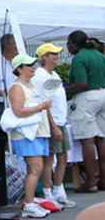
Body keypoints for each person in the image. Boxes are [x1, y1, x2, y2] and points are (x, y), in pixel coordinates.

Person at [7, 53, 53, 218]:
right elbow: (18, 111)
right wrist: (41, 106)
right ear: (18, 69)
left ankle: (30, 202)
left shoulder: (30, 85)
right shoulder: (16, 87)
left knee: (35, 169)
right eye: (28, 65)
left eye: (33, 64)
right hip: (27, 134)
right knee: (36, 168)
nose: (33, 68)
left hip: (37, 133)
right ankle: (28, 204)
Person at [31, 43, 76, 208]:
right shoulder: (40, 76)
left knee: (63, 158)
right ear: (44, 57)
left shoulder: (54, 74)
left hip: (61, 122)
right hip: (51, 123)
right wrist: (53, 126)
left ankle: (59, 192)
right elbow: (44, 103)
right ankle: (48, 194)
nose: (56, 56)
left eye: (56, 53)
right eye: (52, 53)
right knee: (49, 160)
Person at [66, 30, 105, 192]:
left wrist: (65, 91)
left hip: (87, 98)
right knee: (102, 138)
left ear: (74, 44)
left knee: (87, 140)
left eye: (69, 44)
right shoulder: (99, 55)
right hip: (103, 94)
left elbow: (82, 84)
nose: (68, 47)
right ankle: (103, 180)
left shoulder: (79, 58)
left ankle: (91, 182)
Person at [0, 34, 18, 132]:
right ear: (7, 46)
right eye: (15, 43)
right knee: (1, 132)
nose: (17, 47)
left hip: (12, 103)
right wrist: (5, 93)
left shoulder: (15, 63)